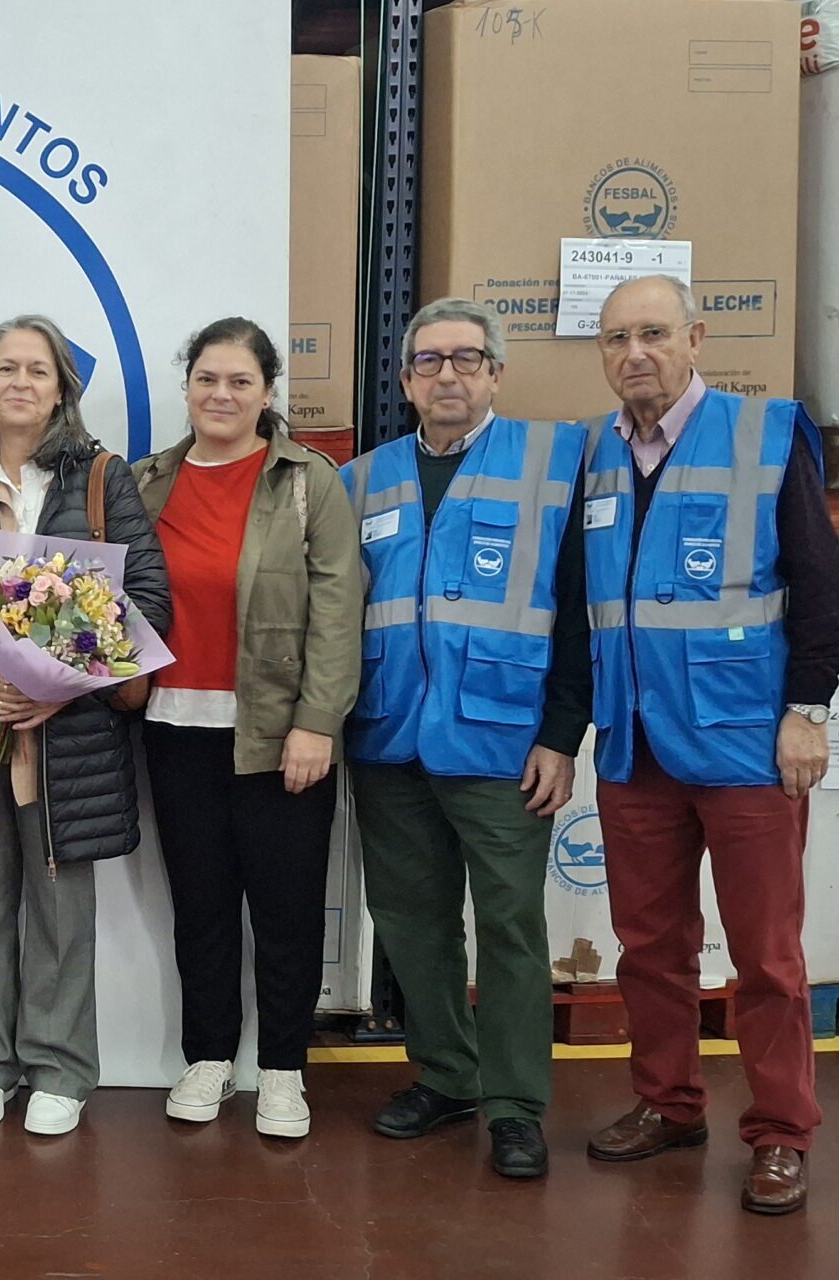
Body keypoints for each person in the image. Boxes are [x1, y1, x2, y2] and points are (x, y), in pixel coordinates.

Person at [578, 275, 839, 1216]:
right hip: (637, 745)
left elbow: (824, 589)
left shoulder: (766, 436)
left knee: (766, 955)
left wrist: (806, 709)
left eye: (653, 333)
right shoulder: (598, 455)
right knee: (649, 947)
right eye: (616, 339)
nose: (634, 354)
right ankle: (669, 1103)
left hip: (746, 746)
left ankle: (781, 1133)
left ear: (695, 338)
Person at [0, 316, 169, 1137]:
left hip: (69, 736)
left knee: (59, 905)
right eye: (5, 367)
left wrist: (63, 689)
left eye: (38, 370)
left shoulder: (100, 478)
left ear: (61, 389)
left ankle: (60, 1067)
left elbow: (145, 601)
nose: (21, 381)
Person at [339, 299, 591, 1179]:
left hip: (503, 741)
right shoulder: (359, 482)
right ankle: (448, 1077)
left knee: (511, 927)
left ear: (495, 373)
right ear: (406, 379)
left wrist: (563, 733)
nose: (449, 374)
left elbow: (578, 615)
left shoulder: (555, 464)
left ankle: (517, 1107)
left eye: (468, 359)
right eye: (430, 360)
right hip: (388, 736)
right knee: (411, 921)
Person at [132, 318, 359, 1139]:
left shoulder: (309, 483)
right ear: (187, 387)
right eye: (206, 379)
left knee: (287, 910)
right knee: (200, 907)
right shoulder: (146, 481)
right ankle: (208, 1059)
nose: (220, 395)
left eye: (239, 382)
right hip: (173, 728)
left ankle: (284, 1071)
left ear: (268, 393)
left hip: (279, 735)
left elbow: (338, 614)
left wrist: (316, 723)